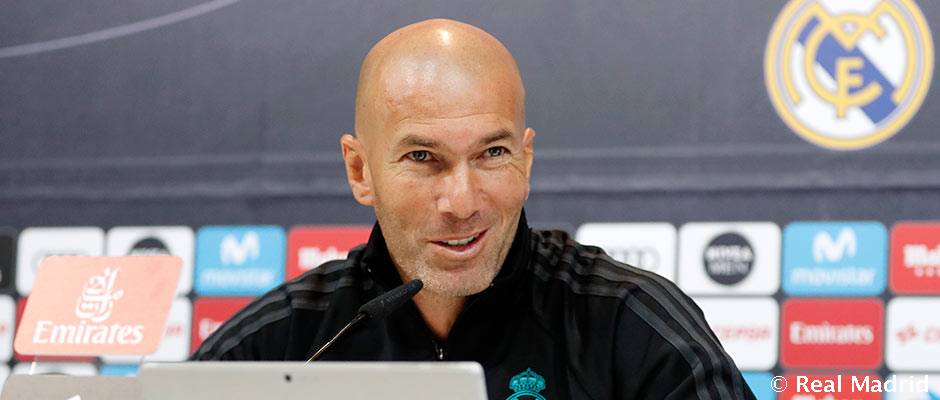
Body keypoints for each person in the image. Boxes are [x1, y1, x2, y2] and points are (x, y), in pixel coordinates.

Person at [193, 18, 756, 400]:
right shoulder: (285, 346)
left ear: (526, 161)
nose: (461, 202)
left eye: (492, 154)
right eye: (422, 157)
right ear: (360, 171)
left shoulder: (628, 325)